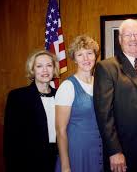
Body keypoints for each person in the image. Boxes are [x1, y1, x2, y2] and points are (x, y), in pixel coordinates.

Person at [94, 19, 137, 172]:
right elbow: (104, 114)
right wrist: (114, 151)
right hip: (123, 154)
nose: (133, 39)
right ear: (120, 39)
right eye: (128, 35)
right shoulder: (107, 67)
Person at [4, 50, 59, 172]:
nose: (45, 70)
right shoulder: (18, 96)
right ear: (32, 70)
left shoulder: (60, 96)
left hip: (57, 160)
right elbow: (10, 140)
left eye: (49, 65)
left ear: (54, 69)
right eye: (39, 66)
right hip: (28, 162)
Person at [55, 35, 103, 172]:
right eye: (80, 55)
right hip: (76, 154)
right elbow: (60, 130)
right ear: (74, 59)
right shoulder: (67, 86)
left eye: (89, 53)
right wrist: (65, 167)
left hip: (98, 152)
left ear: (95, 56)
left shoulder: (101, 83)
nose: (86, 59)